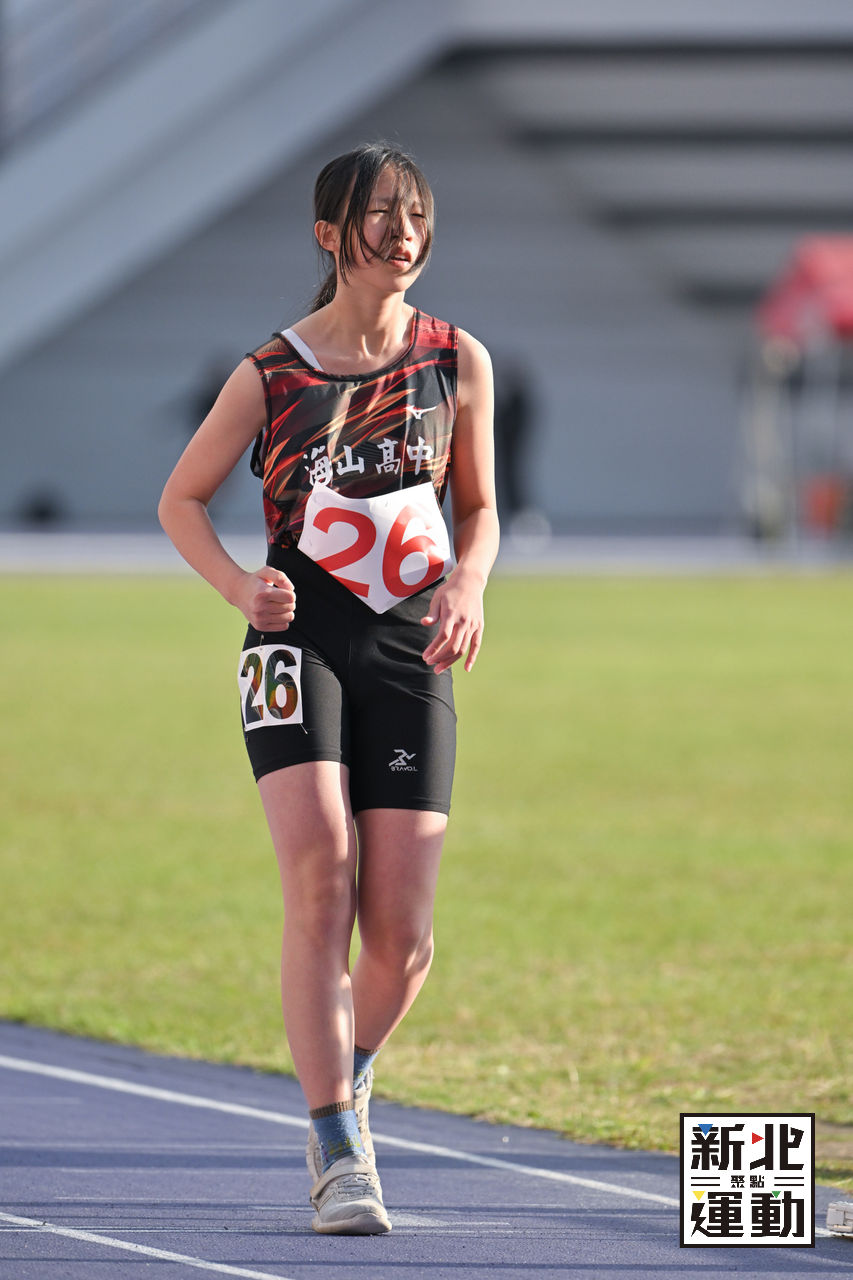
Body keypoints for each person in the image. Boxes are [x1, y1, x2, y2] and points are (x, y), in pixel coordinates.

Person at [158, 141, 499, 1236]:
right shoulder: (273, 372)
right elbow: (180, 498)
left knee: (402, 935)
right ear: (329, 234)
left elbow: (479, 508)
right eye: (380, 215)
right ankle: (337, 1147)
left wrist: (468, 583)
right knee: (321, 880)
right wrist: (236, 585)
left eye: (416, 214)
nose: (403, 233)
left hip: (409, 647)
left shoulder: (457, 360)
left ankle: (346, 1072)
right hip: (294, 640)